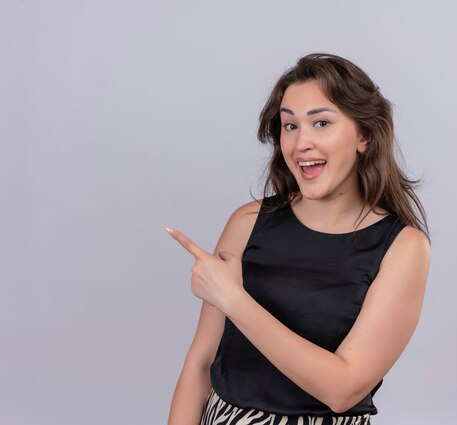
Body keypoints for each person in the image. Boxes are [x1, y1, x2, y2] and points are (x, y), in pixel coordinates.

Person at [165, 53, 431, 425]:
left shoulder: (403, 247)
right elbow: (200, 364)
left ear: (365, 136)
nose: (301, 142)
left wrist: (234, 299)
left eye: (321, 122)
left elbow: (343, 389)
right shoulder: (247, 222)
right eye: (290, 126)